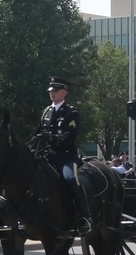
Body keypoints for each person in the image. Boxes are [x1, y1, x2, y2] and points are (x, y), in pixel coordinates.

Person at [36, 76, 91, 235]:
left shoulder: (71, 112)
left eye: (56, 90)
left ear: (64, 92)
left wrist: (51, 137)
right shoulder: (45, 111)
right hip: (47, 156)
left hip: (66, 157)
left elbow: (69, 137)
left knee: (70, 179)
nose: (52, 93)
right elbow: (38, 133)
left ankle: (85, 217)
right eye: (51, 90)